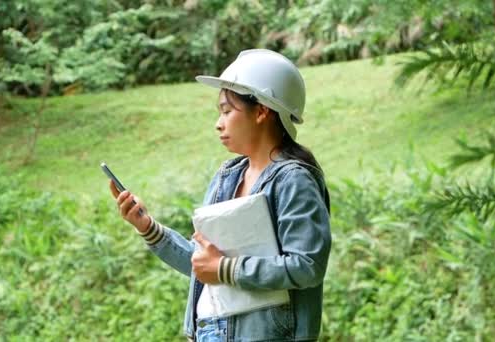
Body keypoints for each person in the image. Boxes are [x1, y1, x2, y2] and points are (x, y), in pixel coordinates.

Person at [109, 49, 331, 342]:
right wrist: (147, 227)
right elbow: (204, 265)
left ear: (262, 110)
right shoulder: (227, 177)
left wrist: (226, 268)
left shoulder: (293, 181)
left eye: (227, 111)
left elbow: (307, 266)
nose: (218, 122)